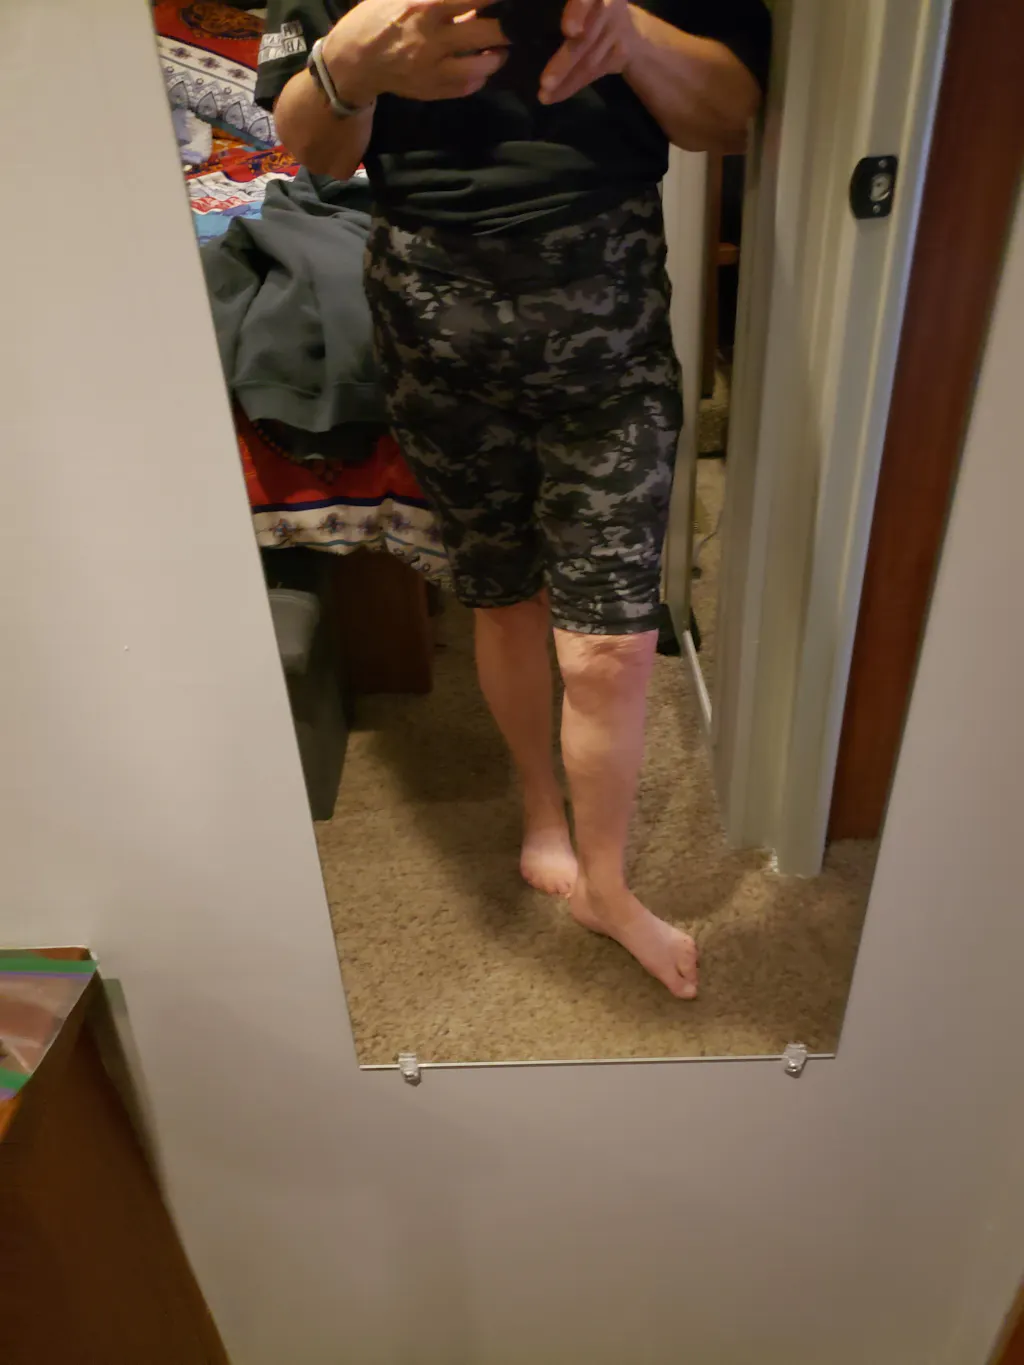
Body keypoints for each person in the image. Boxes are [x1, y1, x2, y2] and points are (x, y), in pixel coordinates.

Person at [255, 0, 771, 999]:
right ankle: (541, 804)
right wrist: (352, 65)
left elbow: (733, 119)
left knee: (612, 648)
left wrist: (631, 37)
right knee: (502, 598)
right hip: (433, 335)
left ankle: (607, 886)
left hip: (611, 334)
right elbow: (315, 153)